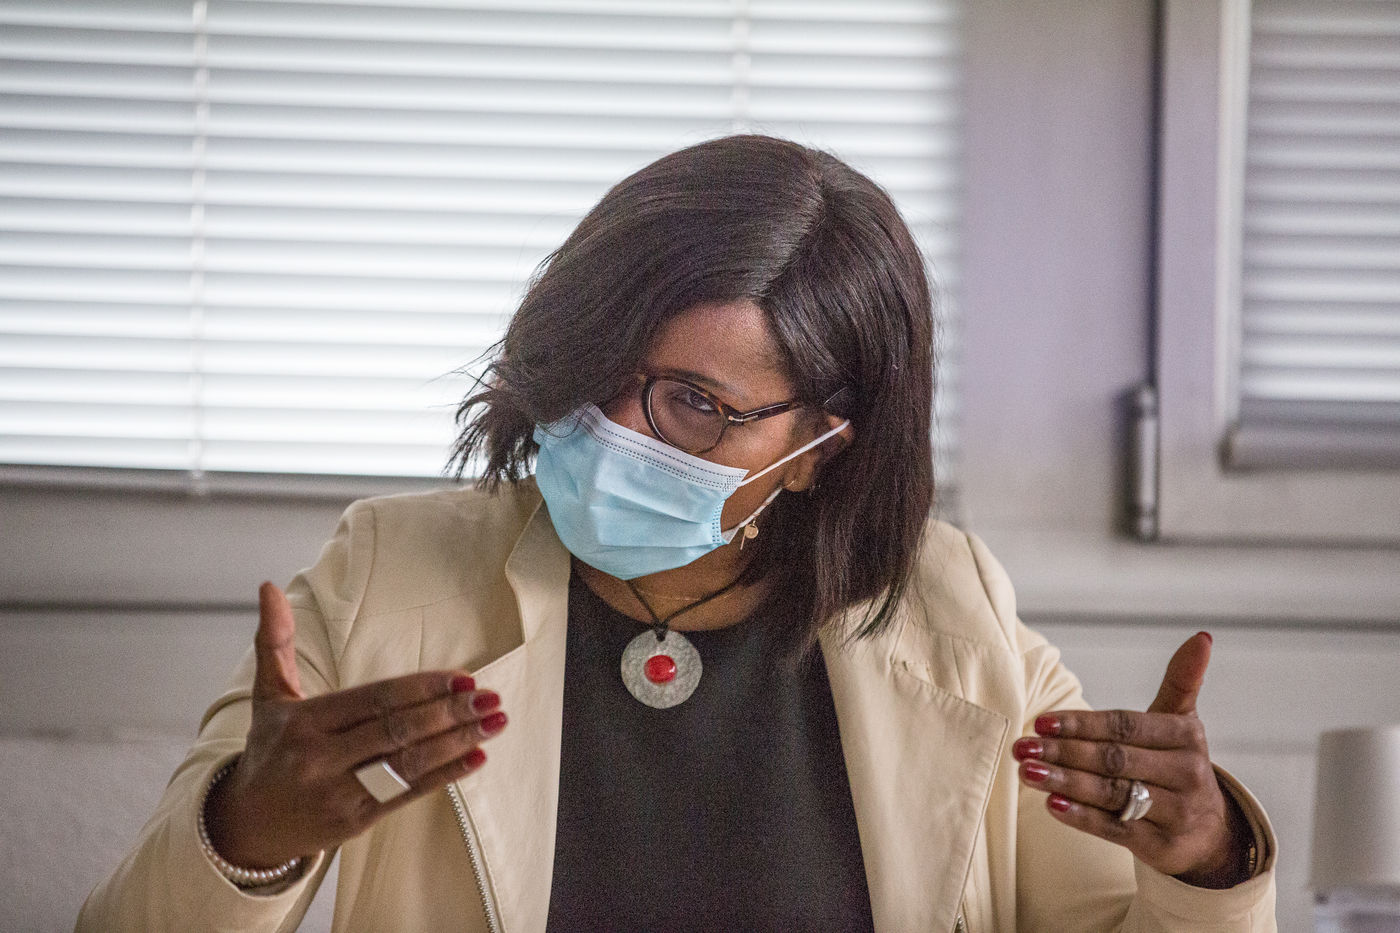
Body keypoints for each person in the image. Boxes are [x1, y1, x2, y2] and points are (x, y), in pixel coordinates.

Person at [77, 135, 1277, 932]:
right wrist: (248, 833)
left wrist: (1203, 859)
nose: (613, 427)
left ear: (825, 447)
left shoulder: (952, 610)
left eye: (696, 404)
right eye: (601, 367)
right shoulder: (387, 576)